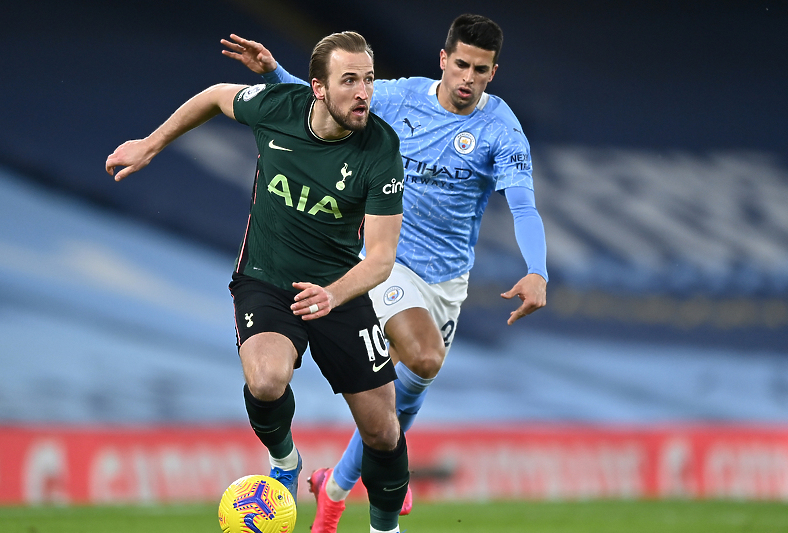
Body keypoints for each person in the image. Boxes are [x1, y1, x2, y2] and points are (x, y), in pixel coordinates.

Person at [222, 13, 548, 532]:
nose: (467, 77)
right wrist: (275, 71)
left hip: (446, 281)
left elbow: (524, 206)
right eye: (460, 64)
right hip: (385, 261)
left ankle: (335, 487)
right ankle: (374, 500)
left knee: (409, 387)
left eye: (480, 70)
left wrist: (538, 270)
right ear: (443, 60)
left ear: (493, 73)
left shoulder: (501, 130)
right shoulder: (401, 97)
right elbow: (329, 97)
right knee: (421, 354)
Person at [106, 31, 410, 533]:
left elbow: (379, 259)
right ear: (318, 88)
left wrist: (333, 294)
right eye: (350, 80)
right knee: (266, 380)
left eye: (369, 80)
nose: (364, 93)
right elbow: (213, 96)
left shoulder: (379, 147)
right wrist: (151, 144)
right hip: (267, 282)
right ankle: (285, 461)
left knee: (382, 432)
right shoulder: (276, 107)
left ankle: (385, 529)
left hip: (339, 290)